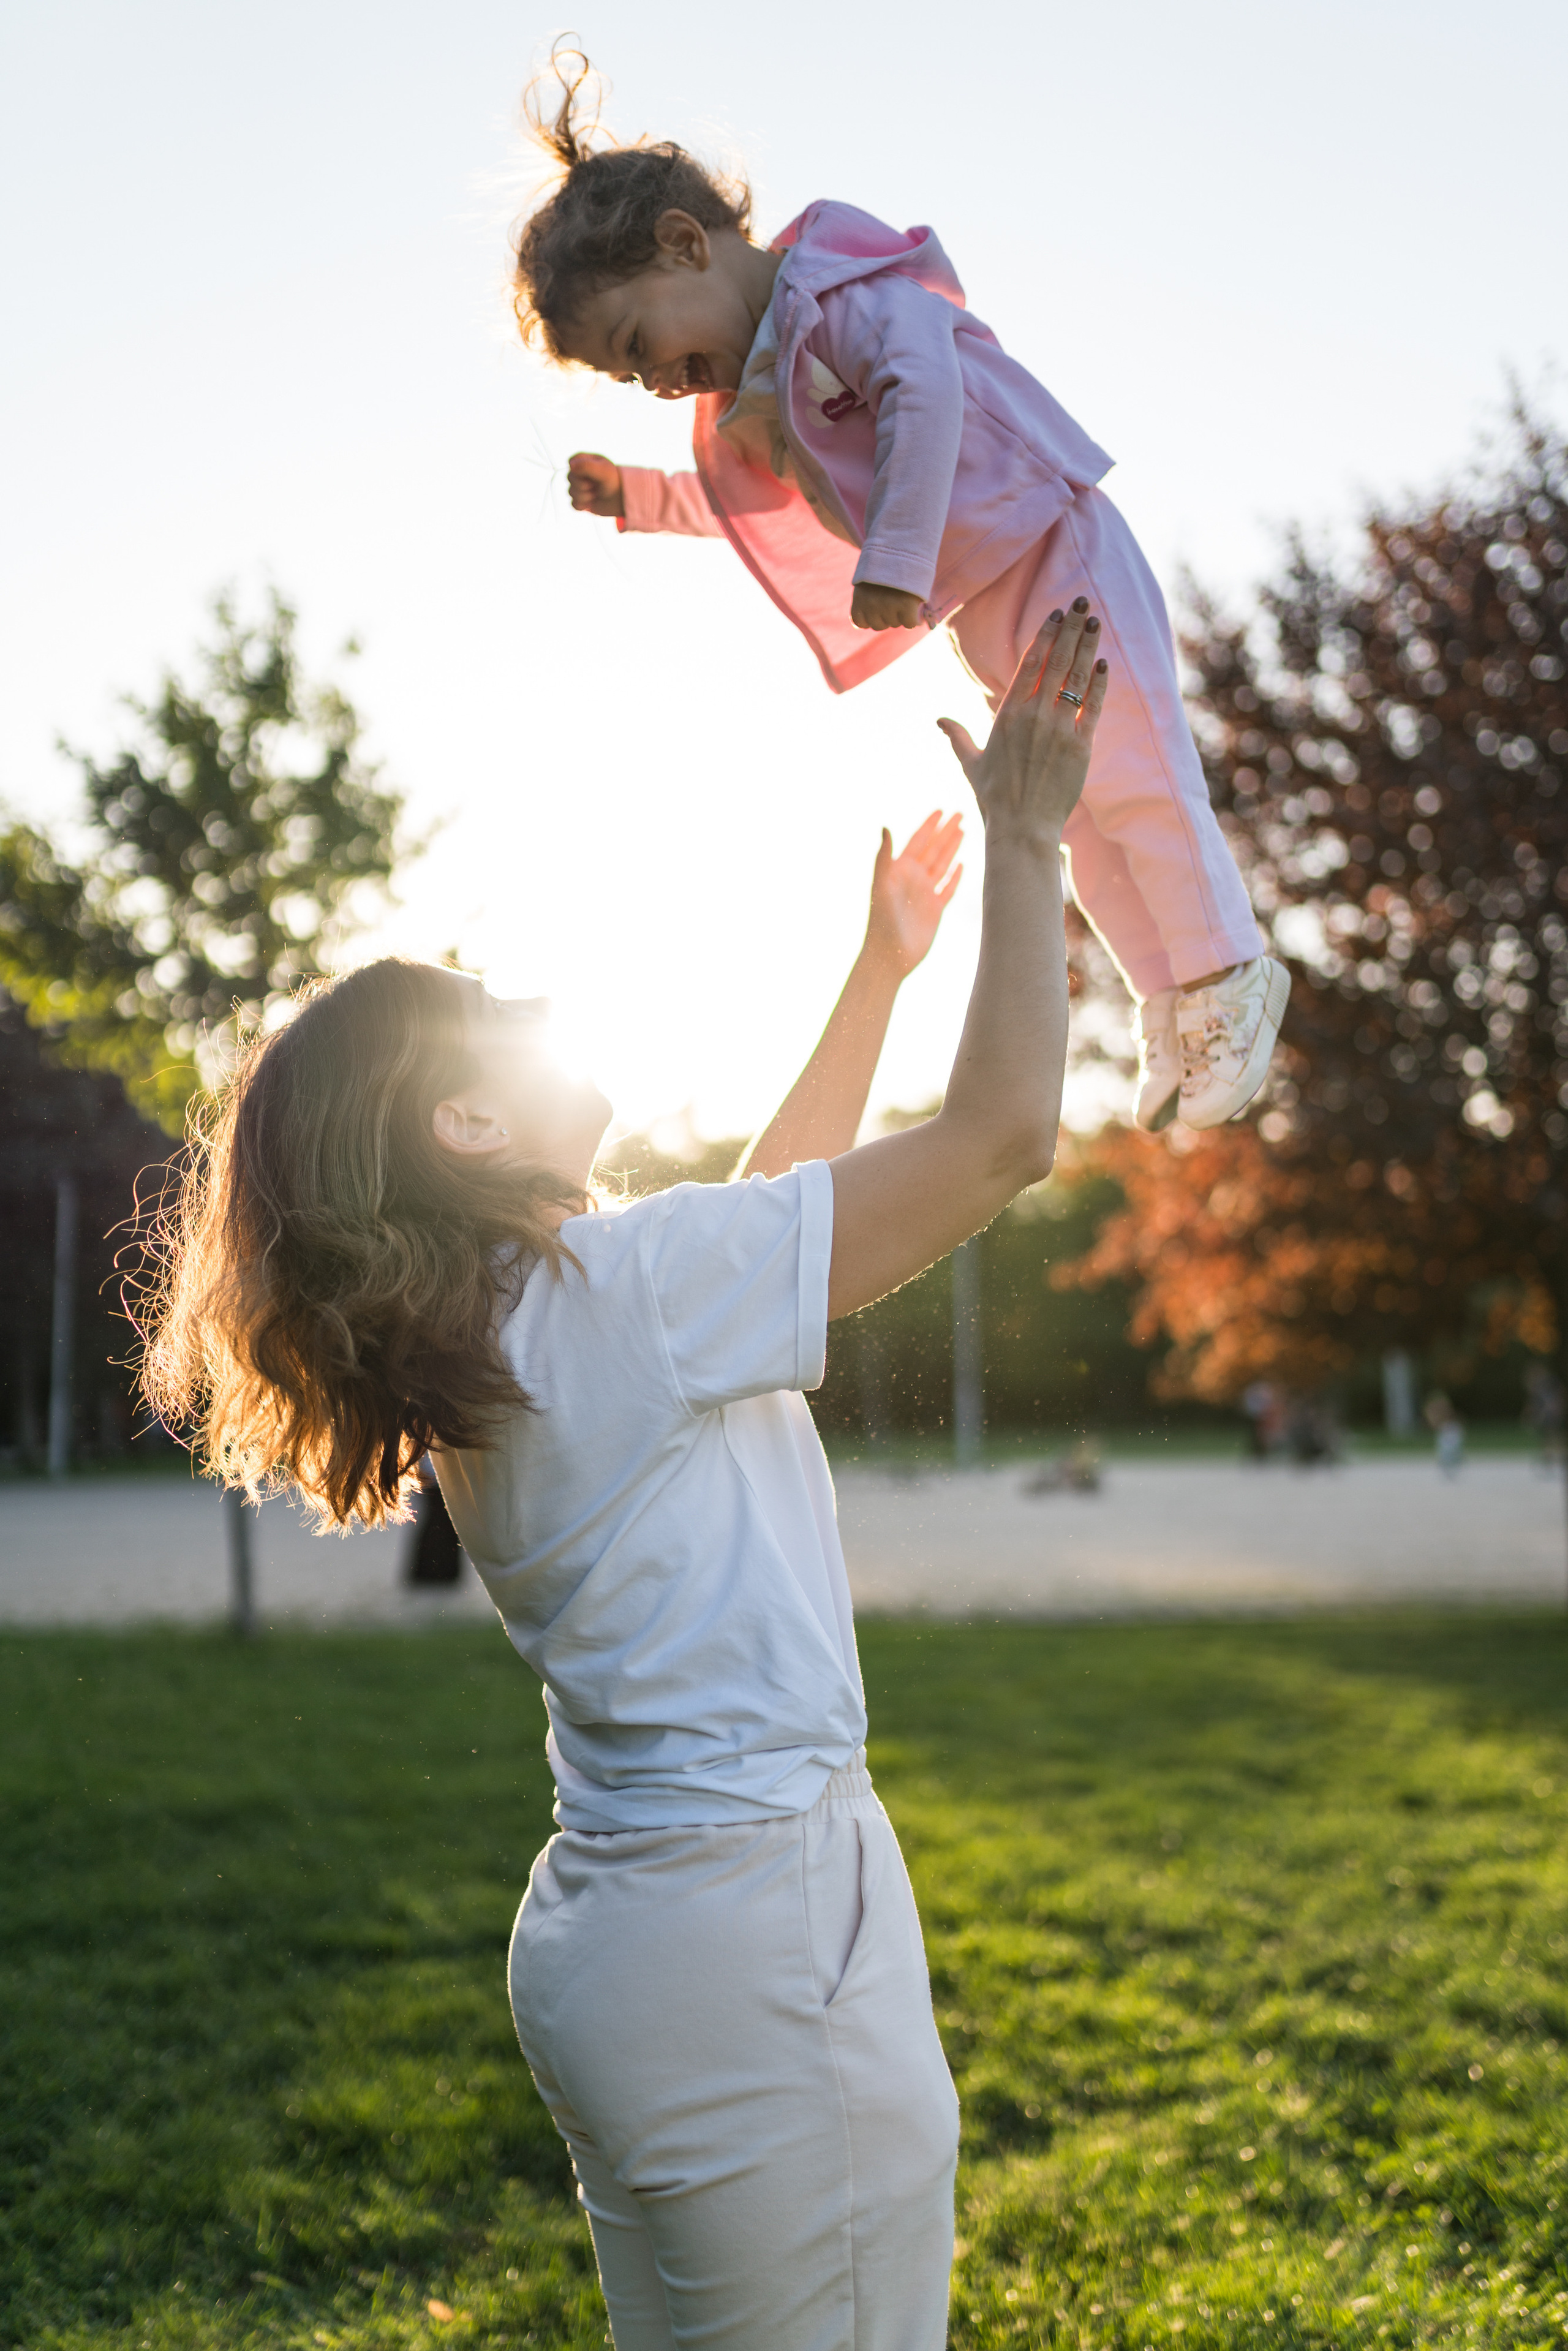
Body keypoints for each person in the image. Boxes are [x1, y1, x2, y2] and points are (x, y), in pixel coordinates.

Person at [138, 608, 1106, 2351]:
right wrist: (1036, 841)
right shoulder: (616, 1296)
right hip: (758, 1938)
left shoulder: (518, 1319)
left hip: (621, 1941)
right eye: (502, 1019)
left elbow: (752, 1232)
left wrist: (878, 972)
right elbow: (1003, 1142)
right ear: (468, 1128)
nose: (541, 1016)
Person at [510, 48, 1289, 1137]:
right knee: (1072, 814)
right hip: (983, 607)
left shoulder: (852, 297)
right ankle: (1171, 996)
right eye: (628, 376)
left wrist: (895, 560)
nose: (656, 380)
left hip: (1058, 547)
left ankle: (1231, 975)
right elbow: (746, 506)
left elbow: (927, 400)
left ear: (687, 245)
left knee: (1141, 771)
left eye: (643, 343)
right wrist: (640, 497)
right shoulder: (758, 400)